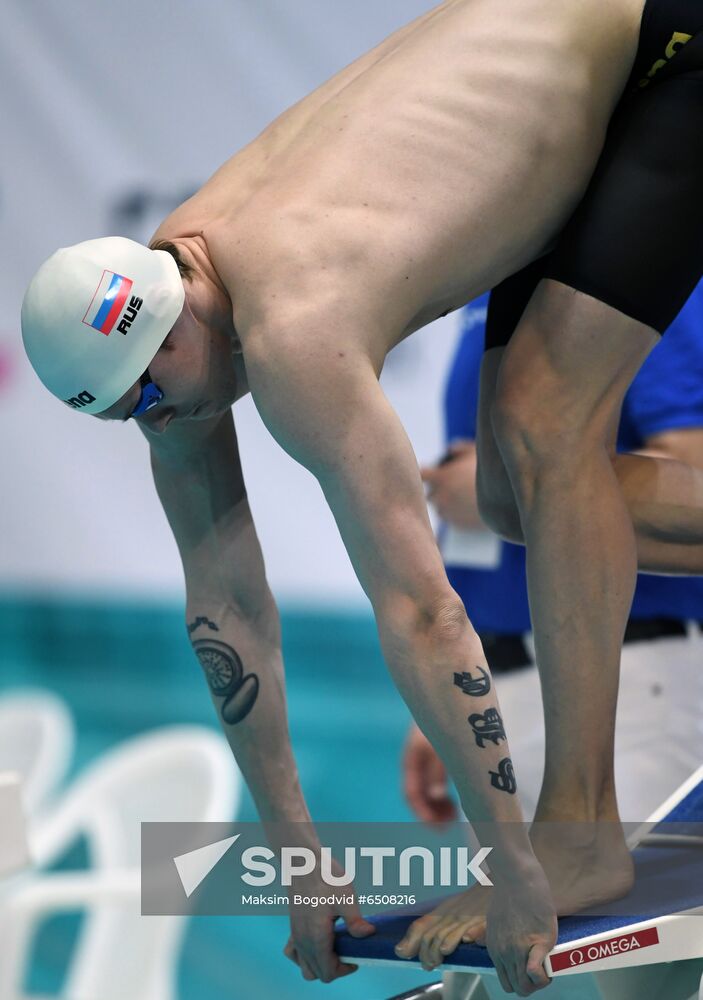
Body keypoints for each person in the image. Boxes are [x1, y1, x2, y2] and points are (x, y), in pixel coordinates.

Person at [19, 1, 703, 994]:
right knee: (515, 496)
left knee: (543, 427)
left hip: (666, 51)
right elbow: (227, 607)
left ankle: (577, 834)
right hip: (588, 91)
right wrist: (300, 861)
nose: (159, 428)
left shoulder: (294, 324)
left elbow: (423, 611)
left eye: (153, 400)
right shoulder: (176, 300)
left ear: (168, 331)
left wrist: (517, 873)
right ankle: (570, 834)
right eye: (125, 417)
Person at [400, 286, 703, 967]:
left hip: (631, 688)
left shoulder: (643, 275)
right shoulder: (487, 288)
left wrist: (507, 486)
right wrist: (456, 689)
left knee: (654, 976)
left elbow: (695, 470)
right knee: (505, 963)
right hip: (504, 691)